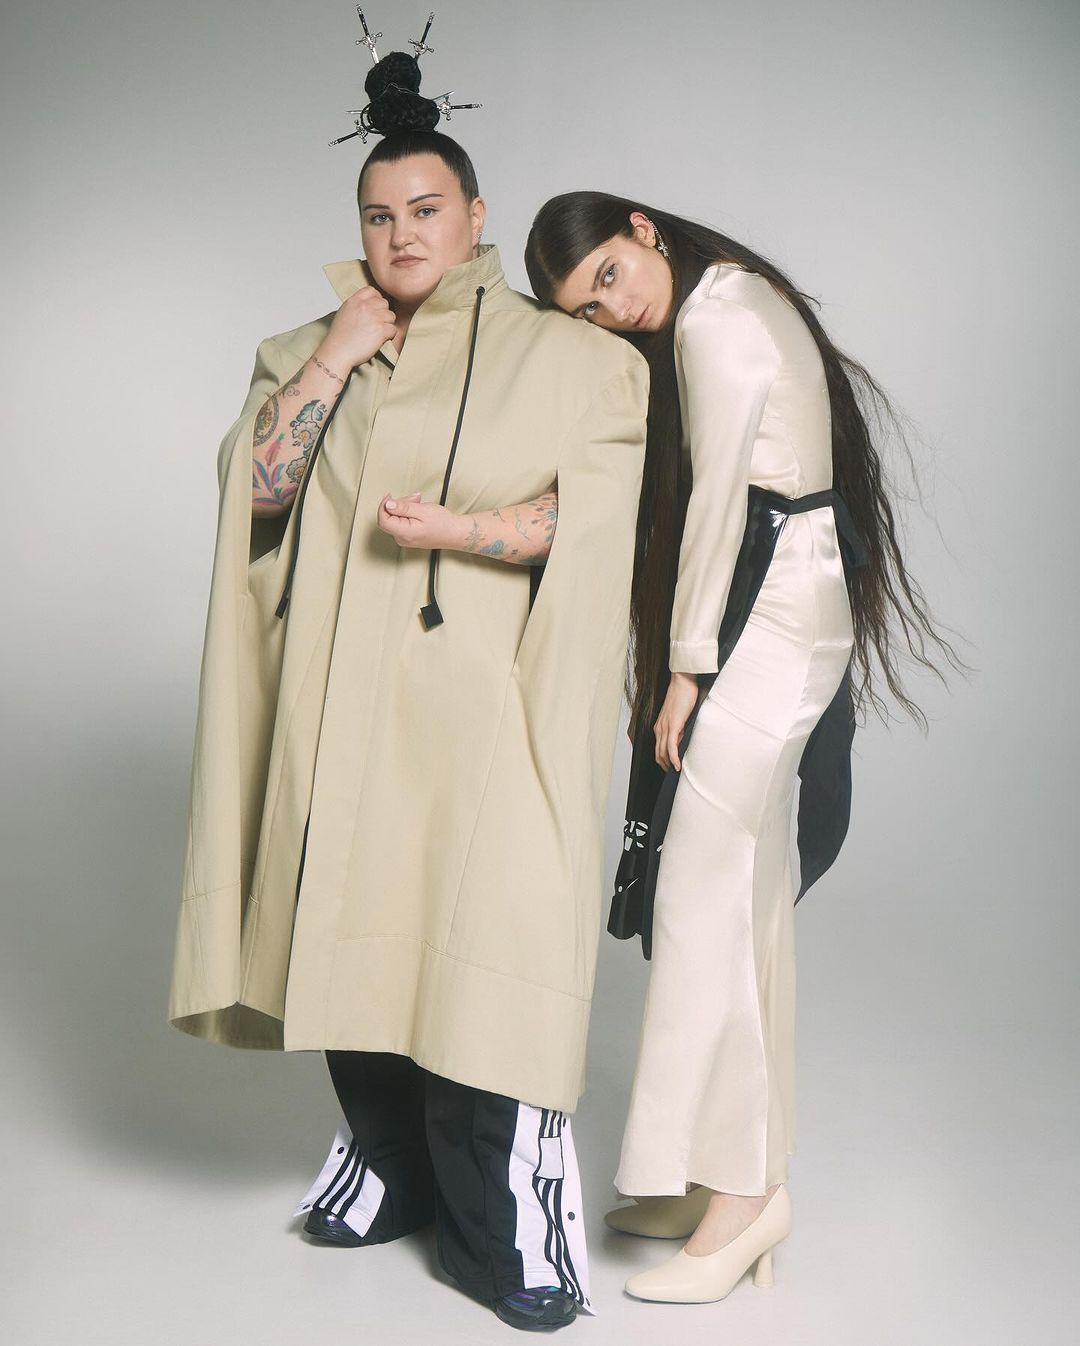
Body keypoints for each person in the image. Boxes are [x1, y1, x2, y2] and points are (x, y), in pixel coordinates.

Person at [167, 50, 647, 1333]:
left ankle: (505, 1224)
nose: (401, 235)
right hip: (337, 707)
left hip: (483, 716)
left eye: (426, 209)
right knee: (347, 938)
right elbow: (253, 499)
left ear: (476, 215)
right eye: (378, 216)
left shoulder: (574, 359)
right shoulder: (299, 352)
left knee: (489, 960)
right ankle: (388, 1166)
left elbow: (601, 520)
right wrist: (336, 355)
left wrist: (462, 530)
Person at [525, 192, 956, 1305]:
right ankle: (711, 1171)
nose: (613, 310)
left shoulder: (716, 320)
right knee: (739, 897)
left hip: (769, 604)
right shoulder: (729, 294)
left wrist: (684, 669)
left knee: (706, 898)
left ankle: (744, 1194)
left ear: (641, 229)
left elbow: (719, 500)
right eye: (588, 310)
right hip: (785, 590)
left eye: (608, 276)